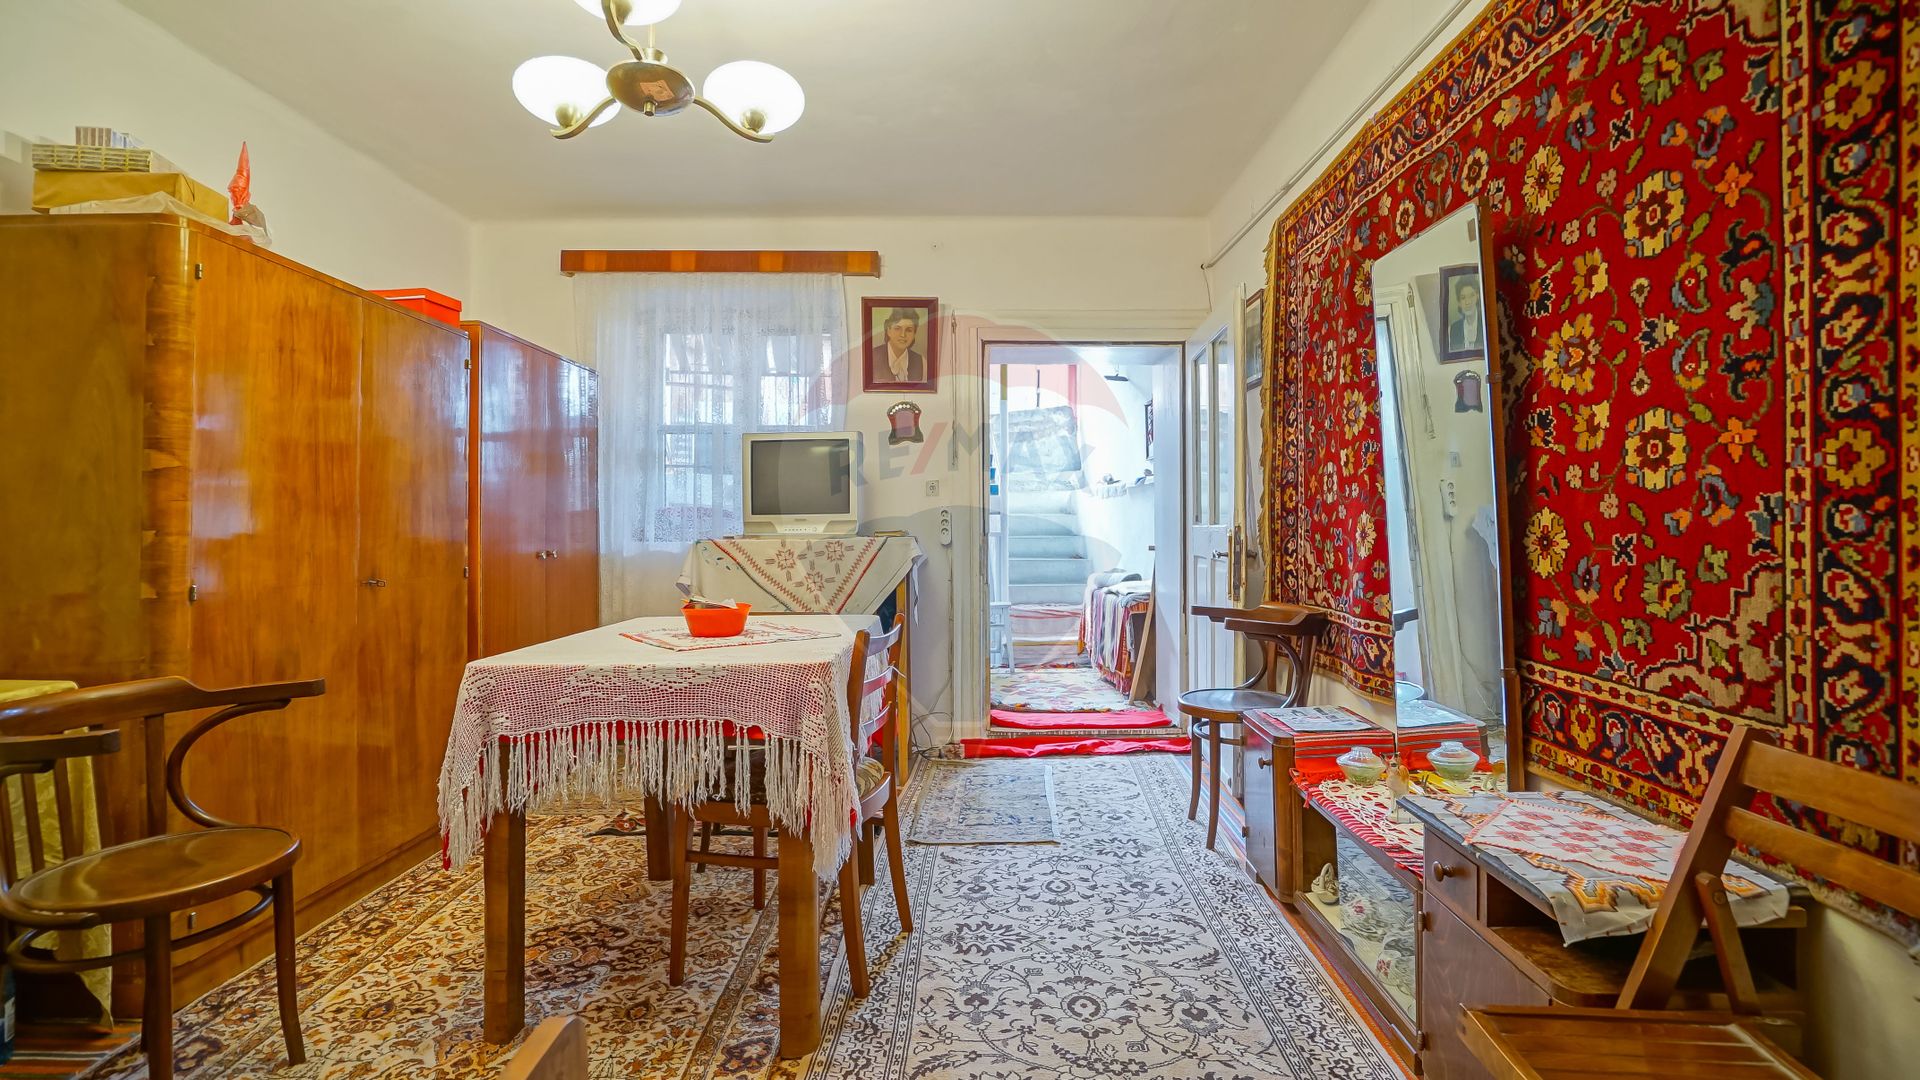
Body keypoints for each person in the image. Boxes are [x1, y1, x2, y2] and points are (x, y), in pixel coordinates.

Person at [874, 308, 926, 383]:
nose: (903, 335)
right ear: (888, 330)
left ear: (914, 334)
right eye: (897, 328)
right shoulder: (872, 357)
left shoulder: (922, 363)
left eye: (909, 330)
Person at [1448, 278, 1484, 354]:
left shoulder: (1485, 324)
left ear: (1477, 296)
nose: (1468, 302)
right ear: (1459, 302)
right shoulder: (1454, 329)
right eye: (1463, 298)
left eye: (1471, 296)